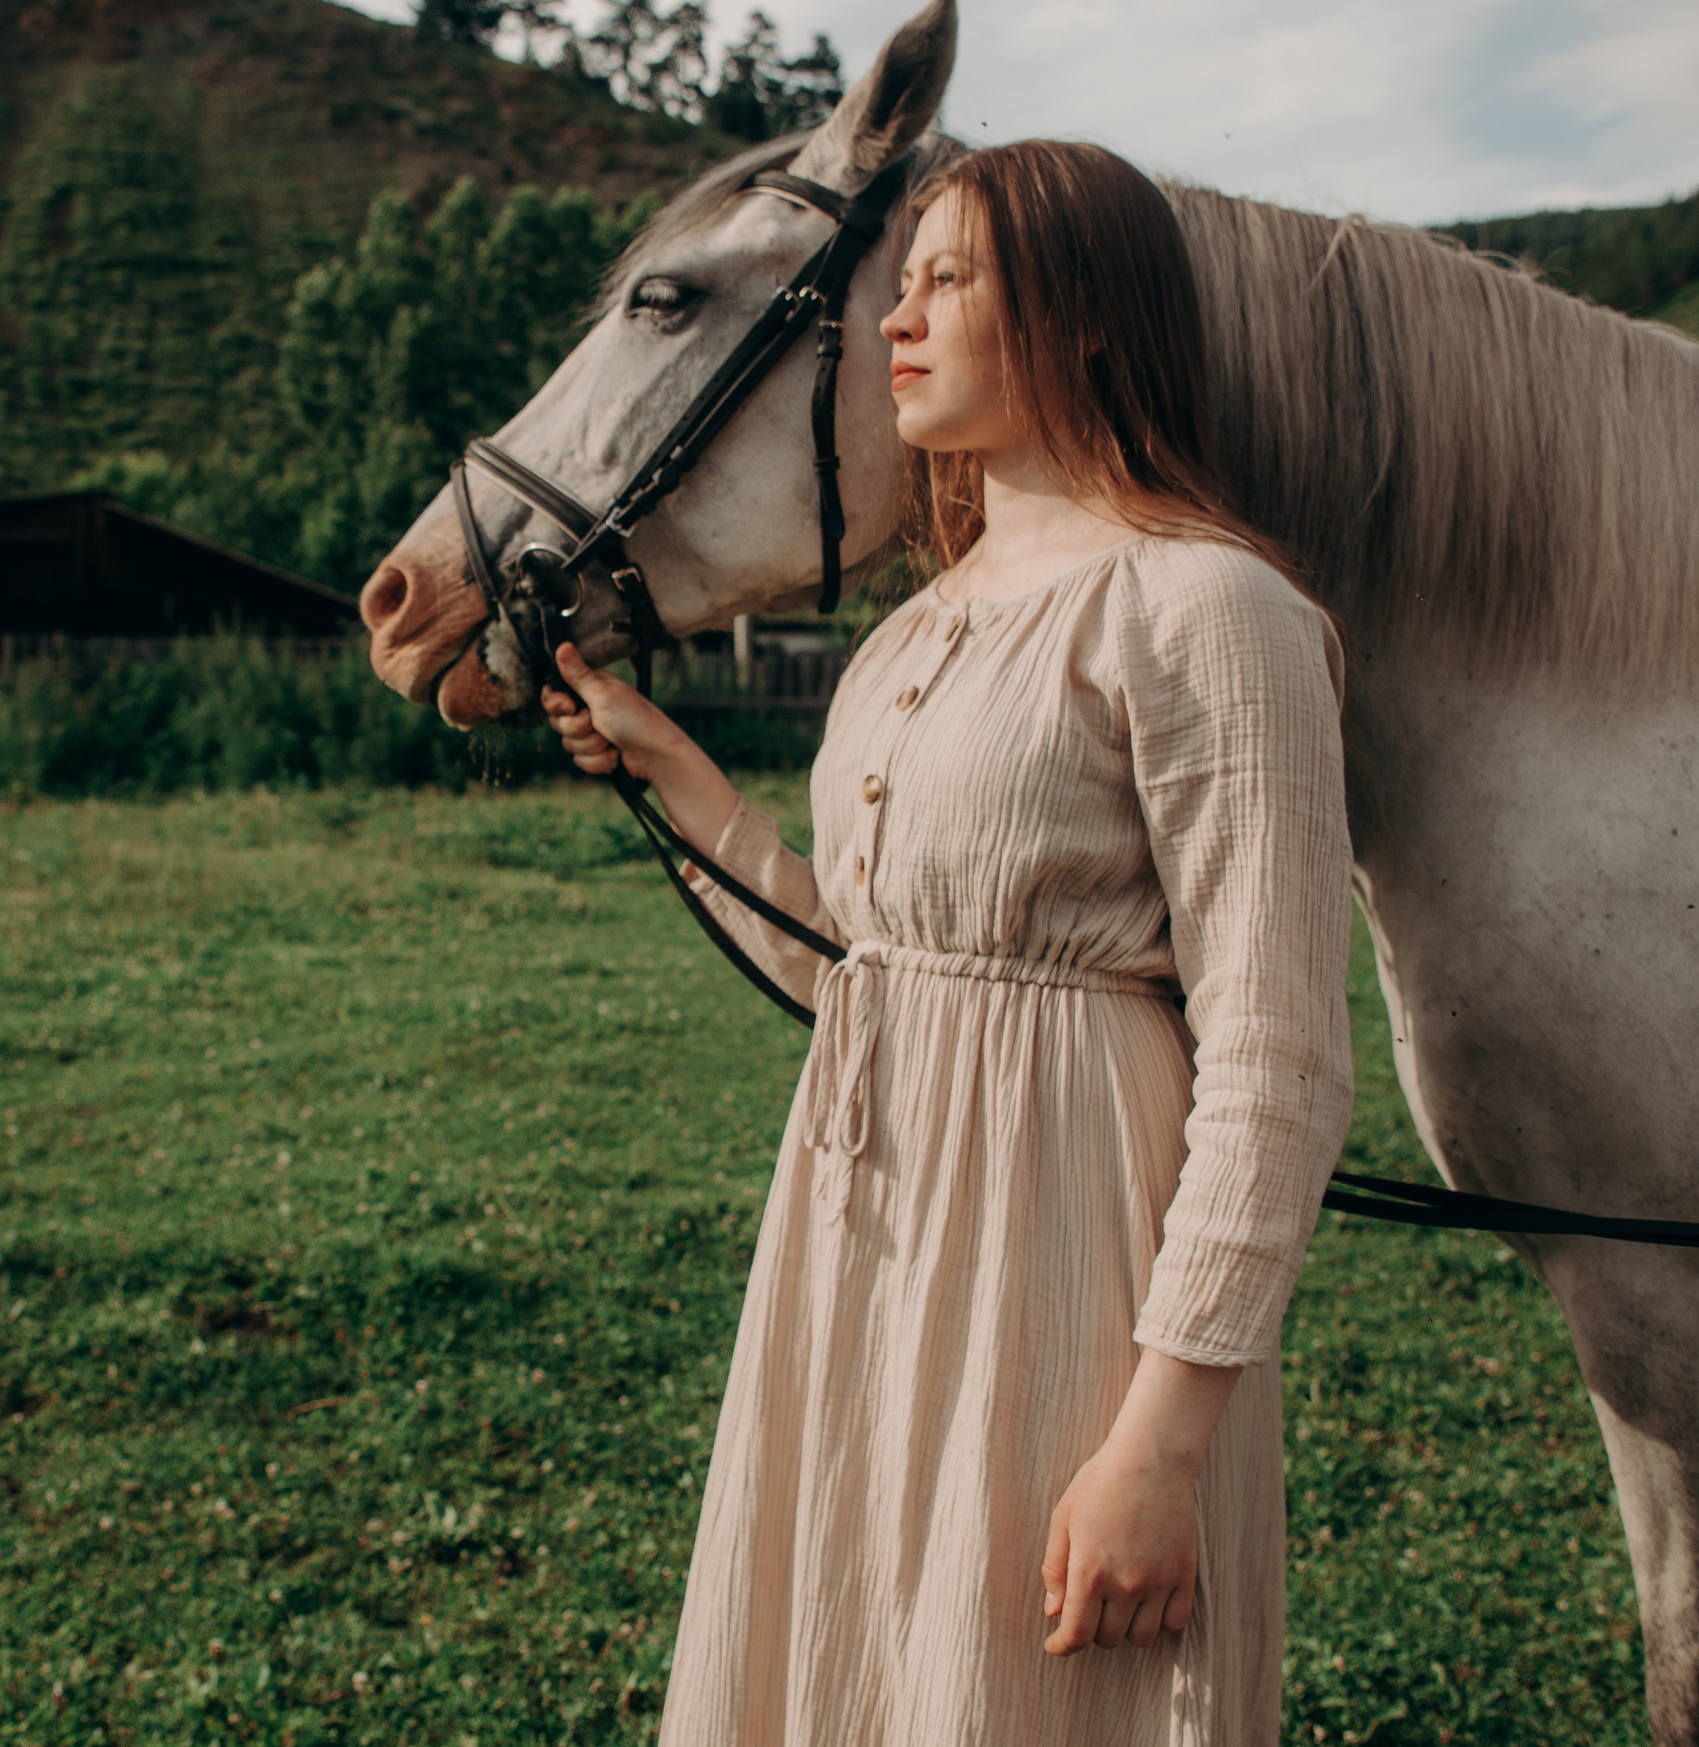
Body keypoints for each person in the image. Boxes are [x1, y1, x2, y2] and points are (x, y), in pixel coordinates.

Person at [542, 140, 1352, 1746]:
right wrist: (683, 781)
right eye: (898, 282)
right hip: (862, 1253)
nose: (898, 319)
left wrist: (1161, 1441)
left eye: (950, 280)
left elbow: (1279, 1057)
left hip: (1073, 1262)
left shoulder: (1208, 610)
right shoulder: (913, 628)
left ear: (1088, 317)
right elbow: (869, 980)